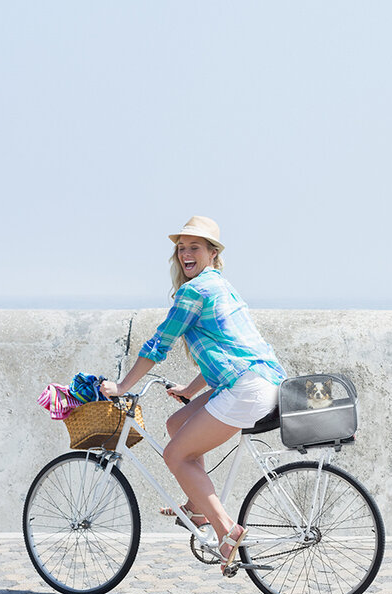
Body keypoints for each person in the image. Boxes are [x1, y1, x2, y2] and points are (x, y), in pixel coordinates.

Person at [100, 216, 285, 575]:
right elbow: (226, 351)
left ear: (213, 253)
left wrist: (121, 387)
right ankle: (198, 506)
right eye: (181, 248)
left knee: (175, 456)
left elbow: (158, 345)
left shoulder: (194, 291)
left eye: (194, 247)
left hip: (246, 387)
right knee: (177, 422)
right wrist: (189, 391)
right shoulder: (222, 287)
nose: (186, 253)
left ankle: (226, 530)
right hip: (258, 379)